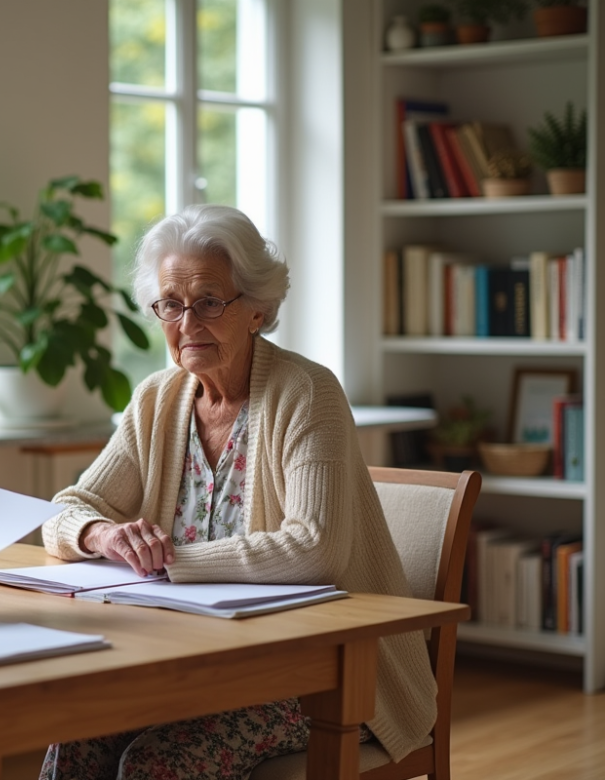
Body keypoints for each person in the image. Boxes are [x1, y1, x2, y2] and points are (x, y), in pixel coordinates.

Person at [39, 204, 436, 780]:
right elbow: (64, 512)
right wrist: (104, 535)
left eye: (208, 301)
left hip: (325, 673)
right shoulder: (155, 399)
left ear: (257, 309)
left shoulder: (307, 393)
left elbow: (315, 548)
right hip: (193, 660)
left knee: (154, 764)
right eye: (170, 305)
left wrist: (165, 563)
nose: (187, 323)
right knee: (77, 738)